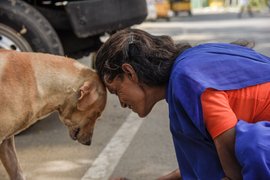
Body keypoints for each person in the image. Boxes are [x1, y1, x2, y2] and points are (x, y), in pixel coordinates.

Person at [95, 28, 270, 179]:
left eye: (117, 91)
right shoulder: (186, 68)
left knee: (253, 145)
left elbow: (233, 169)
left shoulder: (186, 80)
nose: (122, 103)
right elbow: (203, 162)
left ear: (129, 73)